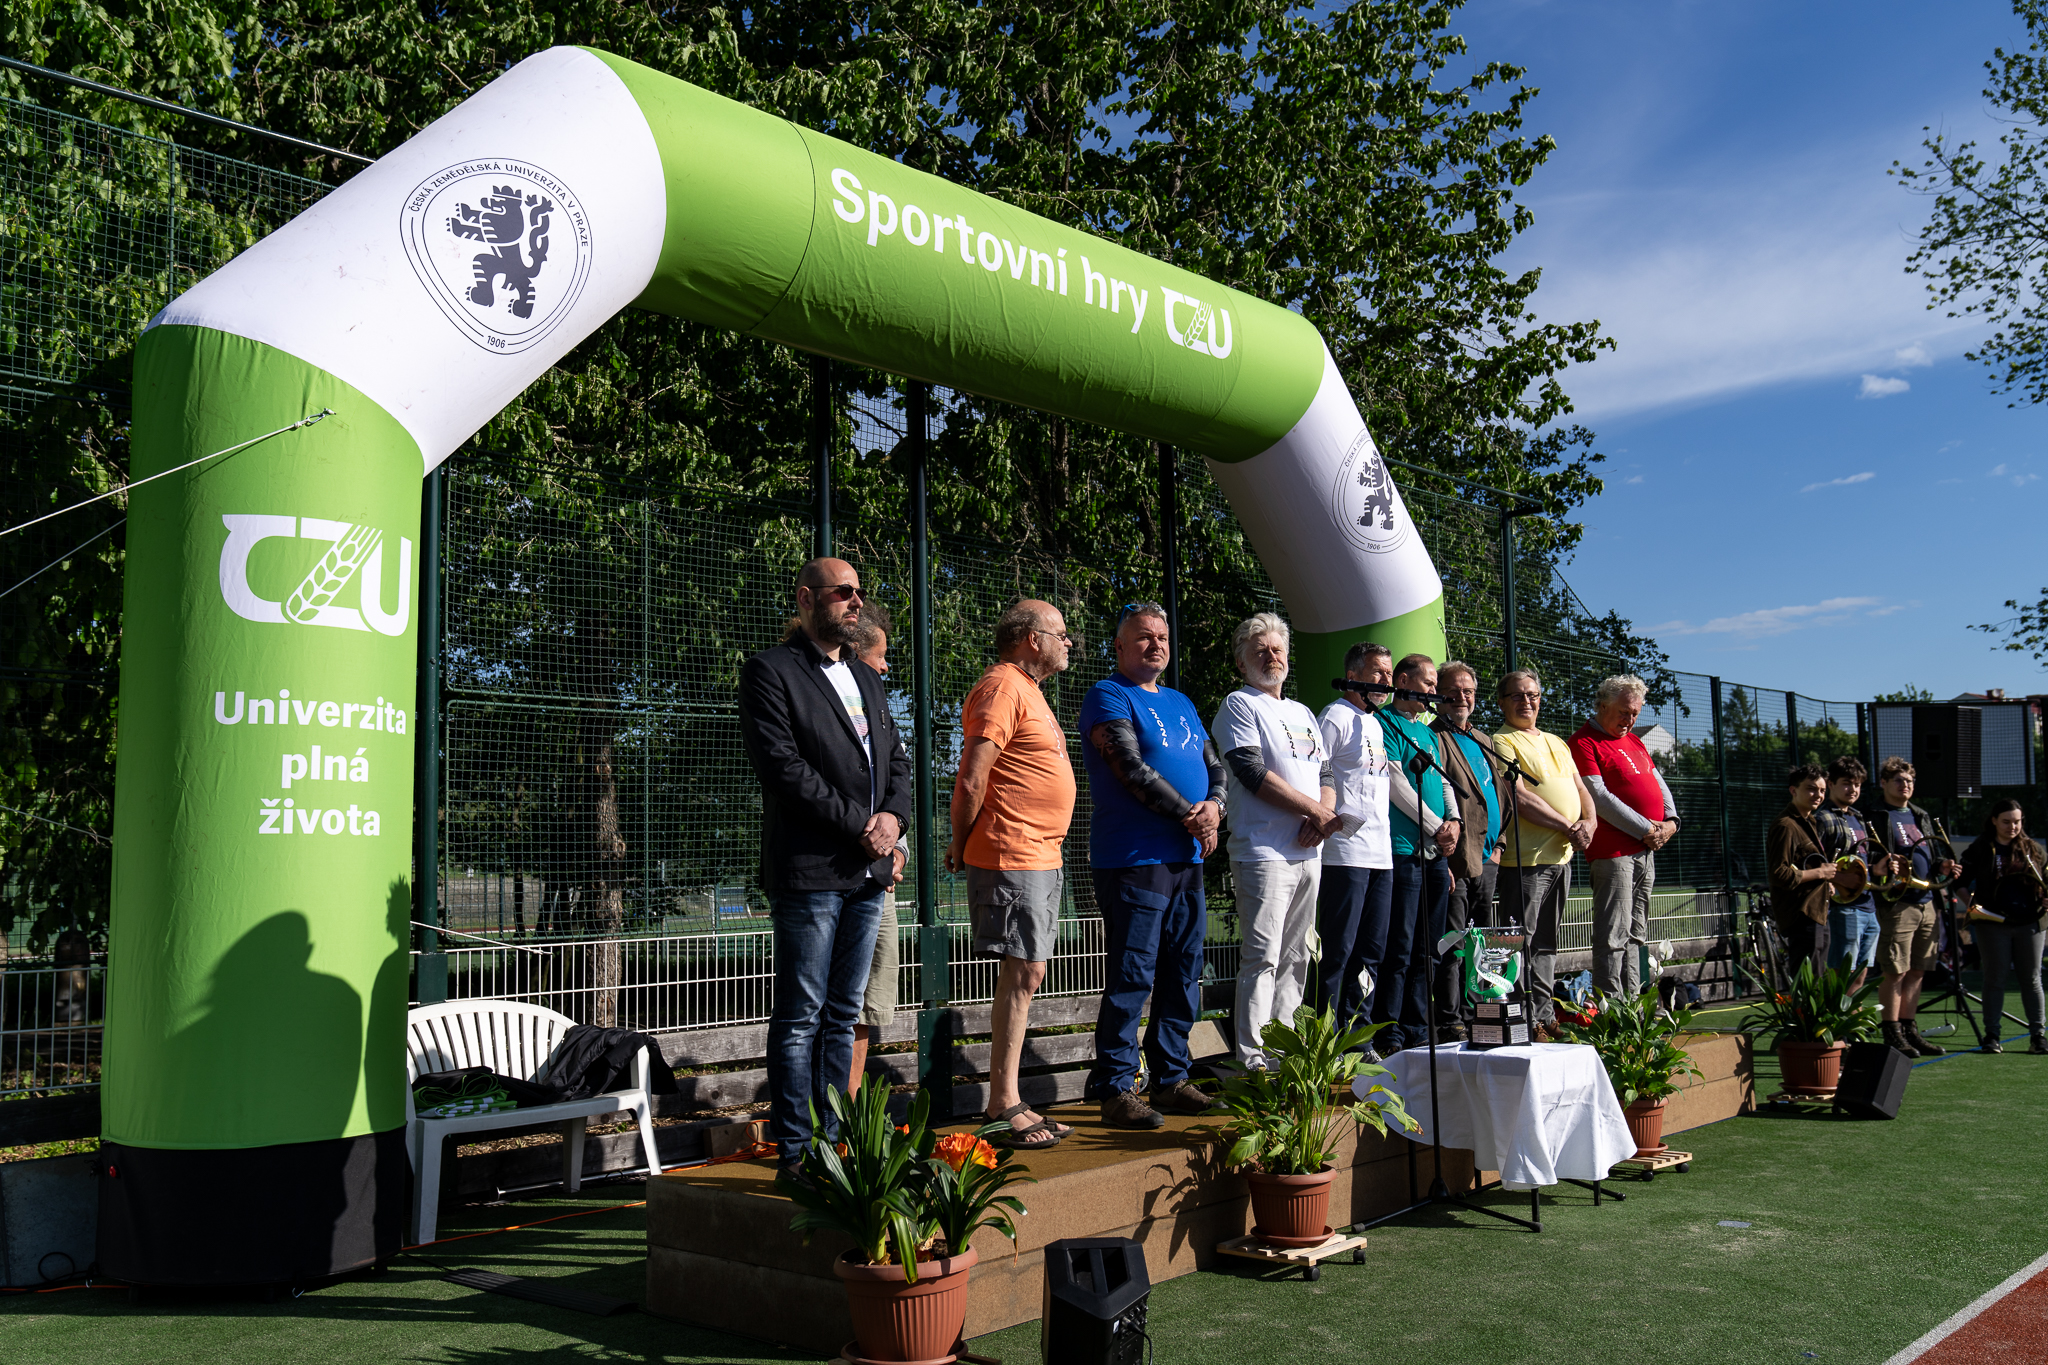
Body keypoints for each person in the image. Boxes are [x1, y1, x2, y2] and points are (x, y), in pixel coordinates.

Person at [737, 557, 913, 1177]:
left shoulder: (866, 676)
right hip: (811, 871)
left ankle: (833, 1147)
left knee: (843, 1017)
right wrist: (862, 826)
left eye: (859, 592)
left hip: (868, 875)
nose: (855, 601)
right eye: (843, 592)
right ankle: (796, 1152)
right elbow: (783, 768)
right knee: (800, 1018)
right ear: (808, 599)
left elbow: (897, 762)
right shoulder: (771, 670)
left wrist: (894, 823)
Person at [1079, 602, 1228, 1128]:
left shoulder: (1181, 701)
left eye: (1162, 636)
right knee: (1132, 973)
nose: (1156, 644)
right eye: (1144, 637)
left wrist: (1216, 808)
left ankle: (1170, 1079)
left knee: (1184, 971)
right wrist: (1193, 816)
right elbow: (1128, 766)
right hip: (1134, 858)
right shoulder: (1108, 694)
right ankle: (1116, 1086)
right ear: (1120, 646)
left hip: (1186, 858)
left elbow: (1214, 764)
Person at [945, 599, 1078, 1147]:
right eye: (1060, 633)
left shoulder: (1029, 690)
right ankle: (1002, 1105)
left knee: (1028, 973)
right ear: (1031, 638)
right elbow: (972, 778)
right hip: (1013, 852)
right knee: (1023, 973)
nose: (1068, 642)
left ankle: (1009, 1099)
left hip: (1039, 855)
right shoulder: (1002, 686)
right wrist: (960, 844)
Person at [1212, 613, 1337, 1070]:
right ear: (1241, 662)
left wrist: (1321, 819)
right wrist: (1316, 812)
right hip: (1263, 852)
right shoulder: (1238, 705)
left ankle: (1285, 1055)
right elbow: (1251, 772)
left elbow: (1326, 774)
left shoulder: (1302, 712)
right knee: (1262, 957)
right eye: (1260, 650)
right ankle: (1252, 1061)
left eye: (1278, 648)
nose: (1272, 656)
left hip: (1308, 852)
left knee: (1297, 955)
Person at [1491, 669, 1595, 1037]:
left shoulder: (1557, 742)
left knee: (1547, 943)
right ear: (1502, 702)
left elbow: (1581, 789)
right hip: (1526, 861)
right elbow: (1518, 797)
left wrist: (1590, 823)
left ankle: (1545, 1015)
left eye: (1533, 694)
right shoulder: (1501, 741)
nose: (1527, 701)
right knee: (1519, 942)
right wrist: (1570, 826)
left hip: (1561, 858)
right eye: (1517, 695)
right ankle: (1522, 1019)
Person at [1568, 675, 1680, 1002]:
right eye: (1624, 712)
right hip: (1614, 853)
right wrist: (1648, 829)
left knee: (1636, 935)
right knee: (1613, 937)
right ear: (1603, 705)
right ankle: (1612, 1011)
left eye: (1635, 714)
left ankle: (1633, 1008)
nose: (1630, 720)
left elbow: (1659, 783)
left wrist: (1672, 822)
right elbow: (1598, 797)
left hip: (1646, 850)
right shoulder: (1584, 742)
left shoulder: (1635, 741)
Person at [1374, 653, 1460, 1054]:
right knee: (1400, 945)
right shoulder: (1385, 723)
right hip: (1404, 850)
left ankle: (1418, 1026)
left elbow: (1443, 782)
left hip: (1436, 854)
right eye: (1428, 684)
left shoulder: (1427, 732)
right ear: (1404, 681)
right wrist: (1436, 827)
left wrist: (1454, 821)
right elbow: (1396, 783)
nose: (1433, 692)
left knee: (1430, 947)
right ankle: (1389, 1030)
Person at [1315, 642, 1396, 1056]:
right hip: (1345, 853)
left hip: (1381, 854)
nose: (1386, 680)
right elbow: (1317, 771)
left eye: (1389, 672)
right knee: (1339, 951)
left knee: (1371, 953)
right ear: (1353, 675)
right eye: (1378, 672)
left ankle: (1358, 1036)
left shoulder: (1376, 724)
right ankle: (1326, 1039)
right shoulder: (1335, 716)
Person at [845, 603, 909, 1095]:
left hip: (879, 881)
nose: (886, 667)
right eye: (881, 656)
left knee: (867, 1003)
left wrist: (897, 850)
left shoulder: (881, 709)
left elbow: (897, 779)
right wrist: (867, 837)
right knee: (833, 1003)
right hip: (833, 876)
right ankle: (820, 1120)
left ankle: (848, 1115)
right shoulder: (813, 695)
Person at [1867, 757, 1963, 1057]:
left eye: (1909, 780)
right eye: (1898, 780)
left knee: (1919, 970)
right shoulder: (1875, 814)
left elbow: (1929, 854)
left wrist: (1942, 865)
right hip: (1897, 903)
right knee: (1895, 970)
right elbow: (1868, 855)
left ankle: (1909, 1029)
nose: (1905, 785)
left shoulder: (1920, 814)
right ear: (1884, 783)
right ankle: (1891, 1031)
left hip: (1927, 901)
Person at [1433, 661, 1504, 1039]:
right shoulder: (1434, 737)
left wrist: (1500, 846)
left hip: (1488, 858)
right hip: (1455, 860)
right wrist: (1443, 859)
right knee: (1454, 943)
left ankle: (1481, 1014)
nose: (1462, 697)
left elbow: (1500, 796)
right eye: (1454, 690)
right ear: (1437, 695)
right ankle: (1451, 1020)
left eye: (1469, 691)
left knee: (1482, 945)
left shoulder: (1483, 739)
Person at [1956, 797, 2048, 1054]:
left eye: (2017, 822)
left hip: (2029, 922)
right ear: (1994, 821)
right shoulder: (1980, 848)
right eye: (2006, 822)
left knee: (2032, 978)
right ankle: (1992, 1036)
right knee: (1995, 978)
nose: (2012, 827)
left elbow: (2046, 879)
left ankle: (2038, 1037)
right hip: (1992, 923)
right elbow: (1960, 880)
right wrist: (1972, 905)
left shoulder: (2033, 849)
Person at [1814, 757, 1880, 998]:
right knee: (1841, 973)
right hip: (1843, 908)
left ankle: (1849, 1016)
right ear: (1830, 784)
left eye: (1857, 784)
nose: (1853, 789)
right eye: (1846, 783)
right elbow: (1814, 862)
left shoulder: (1857, 816)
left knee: (1861, 973)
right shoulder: (1822, 818)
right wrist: (1837, 882)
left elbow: (1859, 859)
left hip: (1868, 905)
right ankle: (1834, 1017)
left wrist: (1879, 867)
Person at [1766, 763, 1832, 978]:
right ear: (1793, 790)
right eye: (1811, 789)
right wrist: (1820, 873)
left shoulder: (1809, 821)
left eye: (1822, 790)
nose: (1818, 795)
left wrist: (1826, 882)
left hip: (1817, 911)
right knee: (1806, 982)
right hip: (1801, 914)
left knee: (1818, 979)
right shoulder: (1786, 825)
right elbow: (1779, 873)